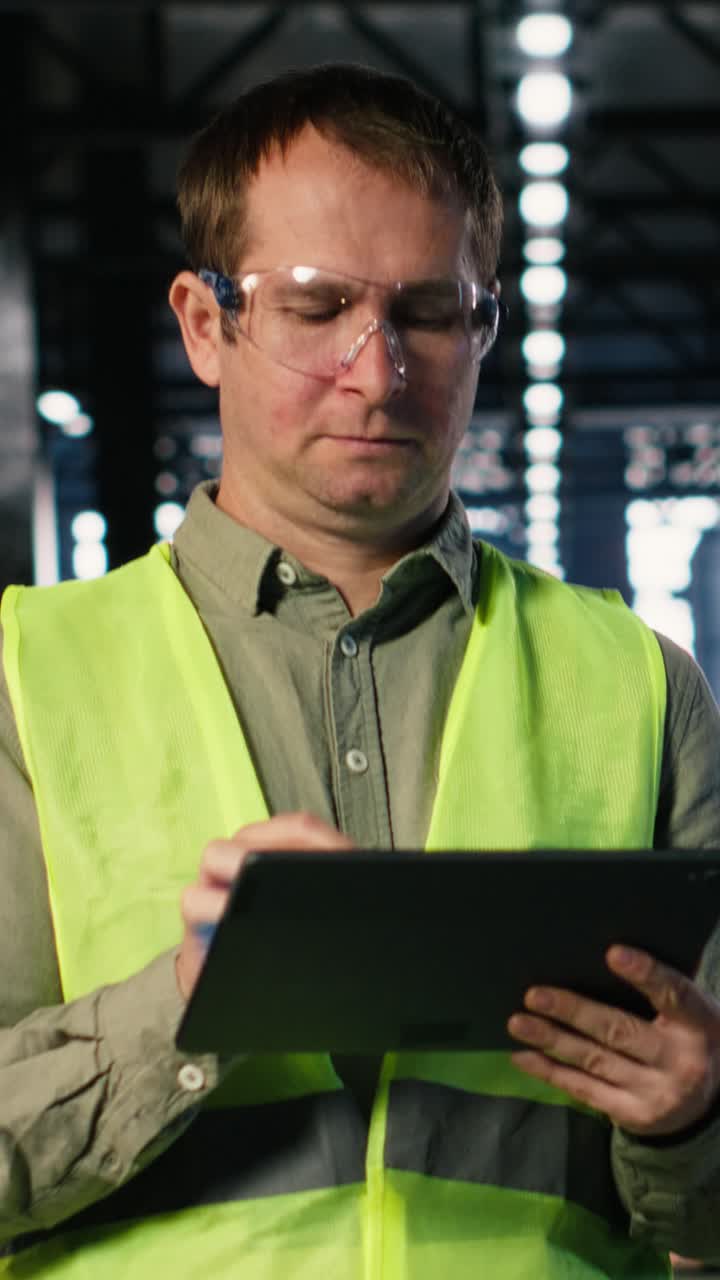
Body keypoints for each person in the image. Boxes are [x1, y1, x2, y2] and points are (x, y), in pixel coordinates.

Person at [1, 62, 720, 1280]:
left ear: (483, 326)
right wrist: (185, 1002)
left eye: (432, 313)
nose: (378, 370)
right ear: (204, 323)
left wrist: (692, 1118)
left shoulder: (642, 686)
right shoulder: (27, 680)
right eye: (317, 304)